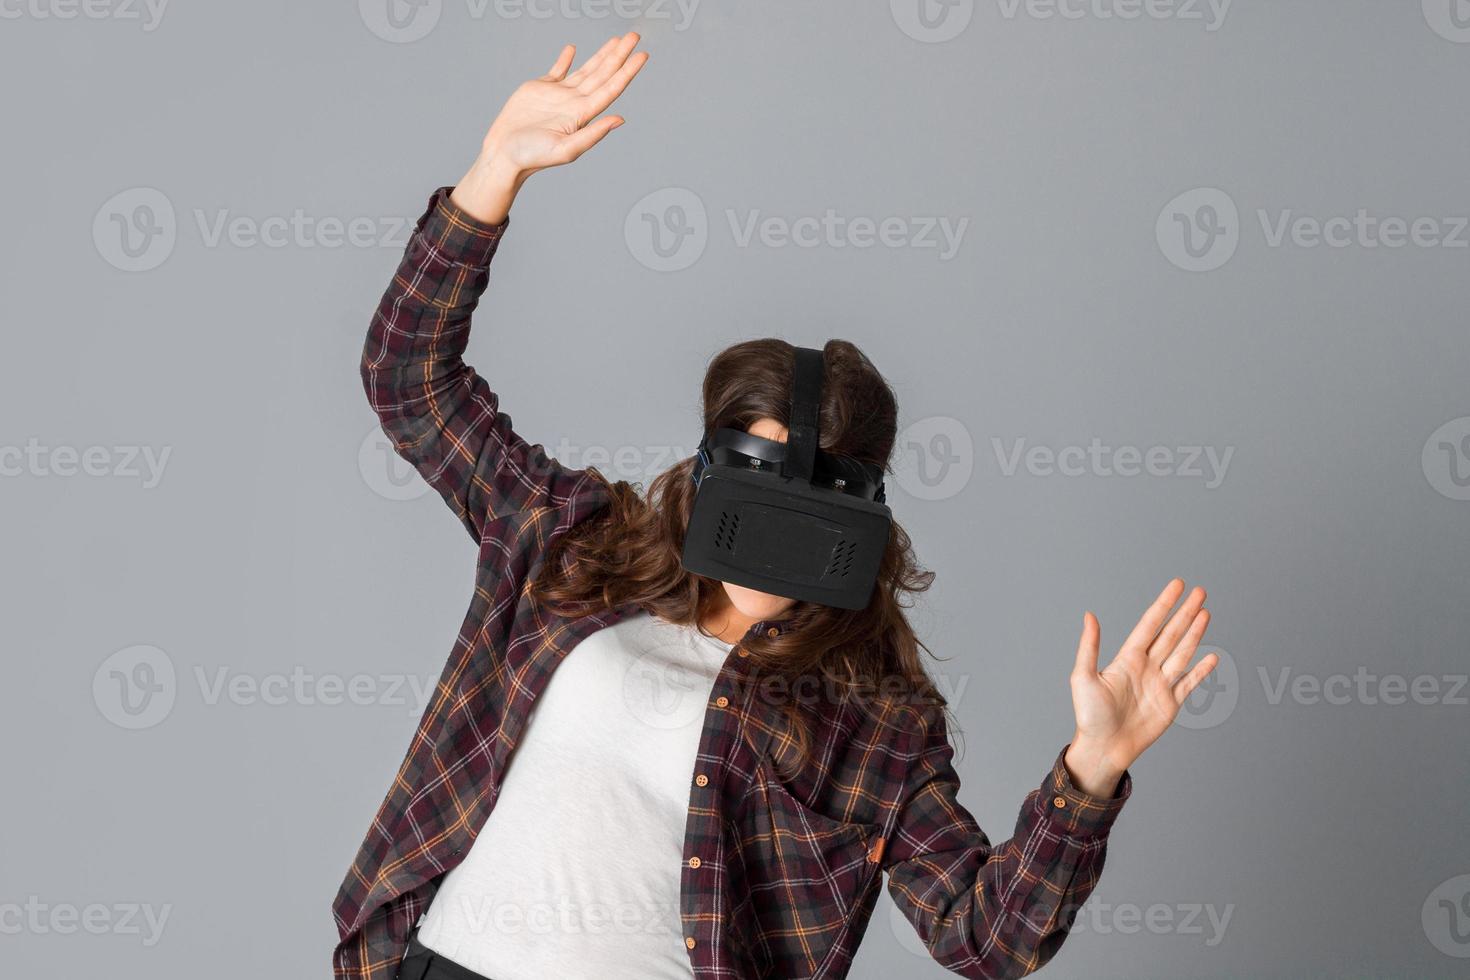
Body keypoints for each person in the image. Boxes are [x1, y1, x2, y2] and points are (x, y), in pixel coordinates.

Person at [332, 32, 1219, 980]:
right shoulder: (573, 541)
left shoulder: (872, 717)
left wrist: (1092, 769)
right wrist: (494, 170)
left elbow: (986, 937)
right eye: (758, 503)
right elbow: (408, 380)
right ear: (707, 472)